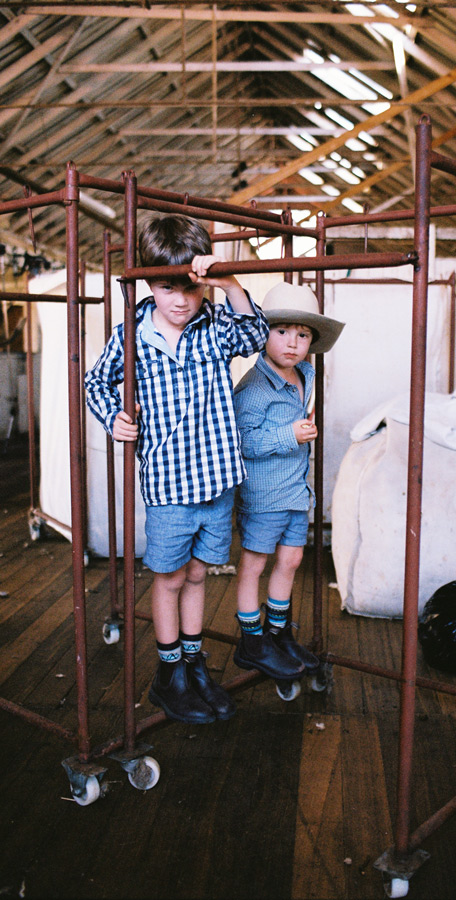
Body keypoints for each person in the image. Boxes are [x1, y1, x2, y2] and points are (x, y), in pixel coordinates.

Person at [85, 214, 269, 725]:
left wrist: (228, 281)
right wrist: (115, 419)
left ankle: (193, 664)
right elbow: (95, 384)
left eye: (190, 286)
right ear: (149, 282)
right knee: (167, 580)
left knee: (197, 574)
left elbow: (256, 335)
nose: (182, 300)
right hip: (169, 485)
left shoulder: (214, 327)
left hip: (217, 482)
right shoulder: (131, 336)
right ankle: (168, 676)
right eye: (168, 288)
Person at [232, 281, 344, 683]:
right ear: (262, 333)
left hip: (297, 492)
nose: (293, 343)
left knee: (293, 559)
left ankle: (278, 634)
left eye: (303, 334)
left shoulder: (304, 375)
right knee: (254, 564)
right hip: (264, 494)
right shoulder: (253, 388)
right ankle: (252, 639)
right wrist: (288, 435)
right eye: (281, 331)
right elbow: (240, 442)